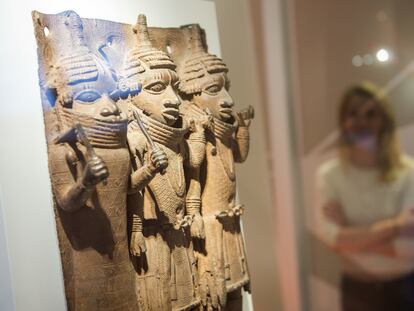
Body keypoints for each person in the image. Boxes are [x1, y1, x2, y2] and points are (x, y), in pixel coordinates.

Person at [318, 82, 414, 311]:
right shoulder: (330, 175)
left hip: (405, 289)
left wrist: (350, 237)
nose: (361, 122)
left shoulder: (408, 172)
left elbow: (408, 248)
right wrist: (394, 226)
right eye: (353, 113)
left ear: (383, 121)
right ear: (343, 121)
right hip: (356, 291)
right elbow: (331, 238)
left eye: (371, 114)